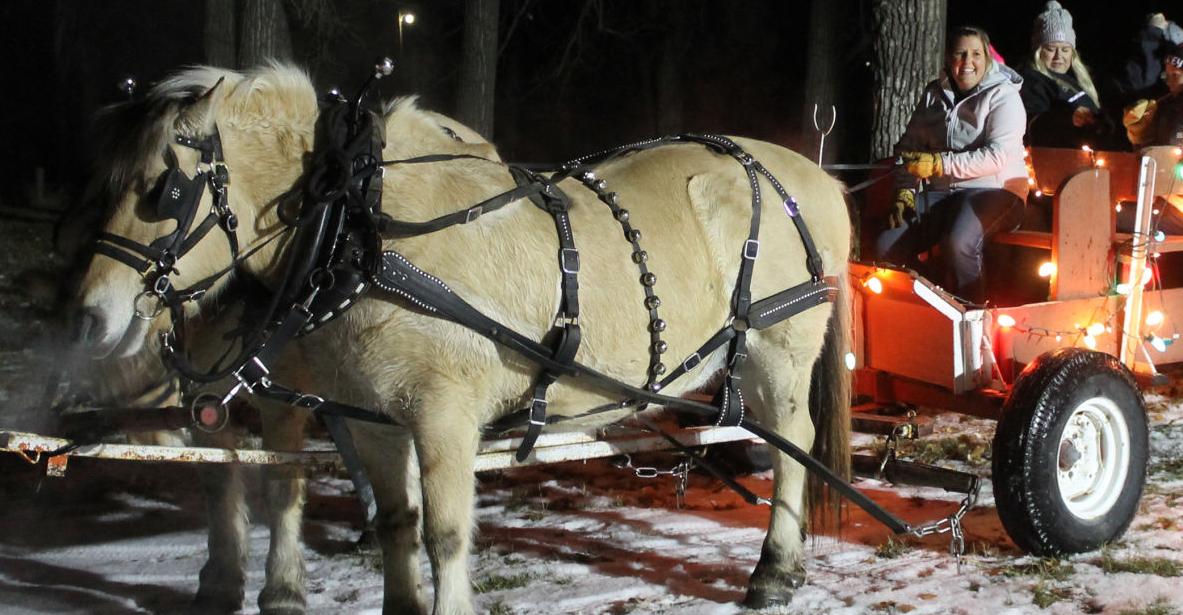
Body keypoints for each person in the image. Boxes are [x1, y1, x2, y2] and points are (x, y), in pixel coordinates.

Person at [874, 26, 1028, 304]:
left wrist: (937, 164)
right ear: (948, 58)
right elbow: (909, 148)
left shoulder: (1004, 96)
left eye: (976, 54)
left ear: (987, 59)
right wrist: (905, 191)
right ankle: (928, 303)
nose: (967, 62)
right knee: (886, 245)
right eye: (960, 54)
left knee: (959, 243)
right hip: (944, 193)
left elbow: (997, 156)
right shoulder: (934, 95)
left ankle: (971, 315)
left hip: (997, 191)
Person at [1019, 1, 1114, 149]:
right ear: (1038, 50)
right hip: (1055, 163)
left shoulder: (1073, 80)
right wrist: (1068, 117)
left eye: (1065, 50)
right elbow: (1032, 125)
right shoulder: (1032, 81)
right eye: (1051, 49)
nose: (1059, 56)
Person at [1123, 42, 1183, 147]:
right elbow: (1150, 145)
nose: (1168, 81)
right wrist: (1138, 129)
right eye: (1167, 75)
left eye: (1175, 75)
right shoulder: (1167, 105)